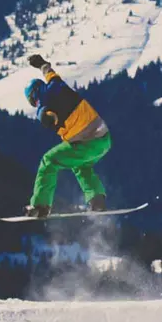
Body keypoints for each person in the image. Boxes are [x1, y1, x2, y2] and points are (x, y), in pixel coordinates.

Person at [21, 54, 112, 218]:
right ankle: (97, 201)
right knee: (81, 166)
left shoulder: (42, 105)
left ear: (34, 96)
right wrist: (42, 65)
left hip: (86, 143)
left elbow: (47, 115)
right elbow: (50, 74)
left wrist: (47, 116)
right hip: (104, 140)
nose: (34, 104)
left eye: (32, 101)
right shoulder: (56, 84)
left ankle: (40, 206)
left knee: (48, 161)